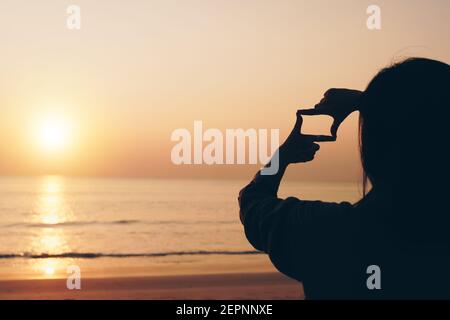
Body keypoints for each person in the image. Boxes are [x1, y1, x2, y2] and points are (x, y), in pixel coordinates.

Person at [238, 58, 450, 299]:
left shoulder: (327, 233)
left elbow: (253, 202)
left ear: (374, 148)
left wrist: (282, 157)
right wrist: (372, 102)